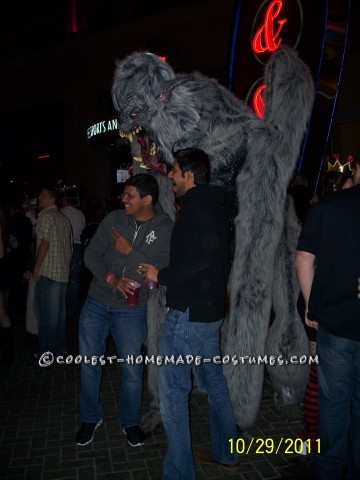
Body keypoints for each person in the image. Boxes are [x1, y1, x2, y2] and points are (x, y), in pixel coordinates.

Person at [141, 148, 239, 480]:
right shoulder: (214, 207)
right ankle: (227, 452)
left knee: (173, 396)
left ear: (190, 175)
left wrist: (161, 275)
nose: (170, 176)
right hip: (208, 314)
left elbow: (197, 260)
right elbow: (212, 258)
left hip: (187, 316)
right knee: (214, 384)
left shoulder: (196, 210)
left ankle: (180, 473)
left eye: (175, 171)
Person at [76, 173, 173, 448]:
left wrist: (130, 250)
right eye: (124, 194)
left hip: (131, 310)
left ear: (147, 199)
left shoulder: (165, 228)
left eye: (130, 195)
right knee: (88, 364)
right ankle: (89, 416)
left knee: (131, 370)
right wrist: (111, 278)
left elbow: (160, 271)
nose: (123, 199)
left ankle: (130, 421)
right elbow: (91, 255)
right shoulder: (114, 219)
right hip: (96, 301)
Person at [295, 183, 360, 480]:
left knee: (332, 406)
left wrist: (311, 306)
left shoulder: (330, 205)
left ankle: (329, 473)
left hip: (335, 322)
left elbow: (303, 259)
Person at [33, 187, 72, 358]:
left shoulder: (45, 216)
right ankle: (60, 348)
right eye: (39, 195)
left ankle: (46, 352)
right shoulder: (63, 219)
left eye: (43, 195)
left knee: (45, 316)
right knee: (59, 315)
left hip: (48, 272)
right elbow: (70, 249)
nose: (39, 198)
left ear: (52, 199)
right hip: (62, 273)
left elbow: (44, 243)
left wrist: (36, 266)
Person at [59, 195, 86, 317]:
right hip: (78, 245)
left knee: (64, 276)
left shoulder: (61, 212)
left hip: (65, 245)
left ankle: (64, 306)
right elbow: (83, 228)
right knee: (74, 279)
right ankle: (73, 306)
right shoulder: (79, 213)